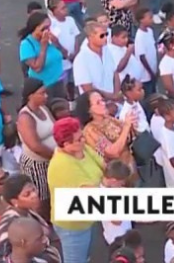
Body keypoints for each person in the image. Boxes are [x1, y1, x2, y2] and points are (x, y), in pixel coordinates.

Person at [47, 117, 104, 263]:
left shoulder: (82, 148)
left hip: (87, 218)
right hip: (73, 226)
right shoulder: (62, 165)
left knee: (86, 256)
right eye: (79, 139)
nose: (84, 140)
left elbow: (103, 166)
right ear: (66, 144)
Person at [15, 81, 54, 221]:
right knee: (41, 199)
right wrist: (55, 156)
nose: (46, 95)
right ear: (31, 96)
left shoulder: (44, 109)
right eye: (42, 93)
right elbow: (34, 145)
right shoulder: (25, 117)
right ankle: (43, 224)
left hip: (51, 161)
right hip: (36, 165)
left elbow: (54, 128)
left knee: (53, 194)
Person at [0, 175, 60, 263]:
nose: (34, 195)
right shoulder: (10, 224)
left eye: (34, 189)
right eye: (27, 194)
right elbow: (7, 254)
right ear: (14, 202)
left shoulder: (28, 211)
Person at [75, 91, 136, 174]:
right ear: (89, 110)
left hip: (130, 162)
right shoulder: (90, 131)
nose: (103, 104)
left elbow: (127, 134)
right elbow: (112, 152)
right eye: (98, 103)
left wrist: (131, 124)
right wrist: (126, 127)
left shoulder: (108, 118)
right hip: (118, 172)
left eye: (102, 100)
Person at [18, 14, 65, 102]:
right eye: (43, 29)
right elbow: (37, 68)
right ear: (34, 29)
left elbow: (64, 55)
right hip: (43, 87)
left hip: (58, 82)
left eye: (49, 27)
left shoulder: (50, 39)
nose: (47, 31)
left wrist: (57, 43)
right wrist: (43, 46)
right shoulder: (27, 44)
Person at [72, 21, 119, 100]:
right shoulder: (81, 59)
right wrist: (110, 98)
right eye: (101, 35)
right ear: (90, 37)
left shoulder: (107, 50)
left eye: (106, 34)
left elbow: (115, 73)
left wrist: (116, 95)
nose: (105, 38)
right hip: (96, 104)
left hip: (113, 101)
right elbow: (88, 89)